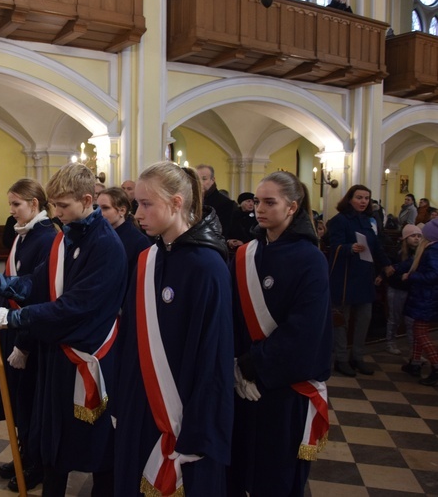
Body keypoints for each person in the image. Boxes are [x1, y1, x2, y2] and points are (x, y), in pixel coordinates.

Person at [0, 163, 127, 497]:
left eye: (63, 206)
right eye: (54, 206)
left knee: (97, 445)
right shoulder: (65, 237)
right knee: (53, 441)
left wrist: (13, 319)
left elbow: (76, 306)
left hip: (86, 357)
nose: (57, 213)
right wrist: (1, 281)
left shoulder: (105, 245)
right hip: (56, 356)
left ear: (87, 200)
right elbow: (41, 282)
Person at [113, 162, 234, 496]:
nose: (138, 212)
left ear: (177, 202)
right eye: (136, 203)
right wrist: (120, 403)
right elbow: (129, 339)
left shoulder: (208, 267)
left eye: (147, 204)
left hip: (183, 416)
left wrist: (198, 432)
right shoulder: (146, 259)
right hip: (140, 406)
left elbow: (213, 360)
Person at [227, 171, 332, 497]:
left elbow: (304, 330)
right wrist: (234, 366)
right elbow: (231, 317)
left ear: (292, 207)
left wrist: (252, 365)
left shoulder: (310, 259)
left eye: (270, 202)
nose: (259, 208)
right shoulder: (246, 255)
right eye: (257, 201)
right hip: (242, 386)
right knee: (240, 472)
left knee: (276, 479)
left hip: (284, 389)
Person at [0, 178, 57, 492]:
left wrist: (23, 343)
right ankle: (21, 453)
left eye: (17, 205)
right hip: (12, 324)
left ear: (35, 204)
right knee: (17, 399)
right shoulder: (24, 234)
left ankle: (34, 464)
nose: (12, 211)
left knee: (30, 401)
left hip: (28, 331)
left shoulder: (46, 238)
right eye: (11, 204)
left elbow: (40, 293)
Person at [328, 185, 395, 377]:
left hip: (364, 276)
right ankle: (341, 359)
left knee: (364, 319)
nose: (363, 201)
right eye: (359, 197)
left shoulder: (367, 220)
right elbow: (335, 246)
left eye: (366, 198)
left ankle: (357, 356)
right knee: (342, 321)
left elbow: (376, 245)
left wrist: (386, 264)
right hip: (346, 276)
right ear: (350, 199)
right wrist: (350, 248)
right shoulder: (340, 220)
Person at [400, 218, 438, 386]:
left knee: (421, 333)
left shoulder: (432, 251)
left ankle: (436, 366)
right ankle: (415, 363)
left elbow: (434, 275)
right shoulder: (431, 249)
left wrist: (412, 276)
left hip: (427, 296)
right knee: (418, 330)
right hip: (425, 296)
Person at [379, 225, 421, 355]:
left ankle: (413, 350)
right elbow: (388, 271)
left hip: (412, 290)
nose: (416, 239)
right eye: (413, 236)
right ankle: (390, 343)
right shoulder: (396, 252)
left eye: (419, 236)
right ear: (405, 238)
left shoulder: (420, 252)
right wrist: (400, 277)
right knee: (394, 318)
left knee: (411, 321)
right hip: (397, 289)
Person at [96, 187, 151, 285]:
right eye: (97, 208)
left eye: (105, 208)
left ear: (122, 210)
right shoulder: (97, 235)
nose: (99, 213)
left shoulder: (139, 241)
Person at [195, 164, 236, 237]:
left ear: (213, 180)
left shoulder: (226, 203)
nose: (200, 183)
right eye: (197, 179)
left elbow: (223, 232)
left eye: (204, 179)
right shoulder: (191, 200)